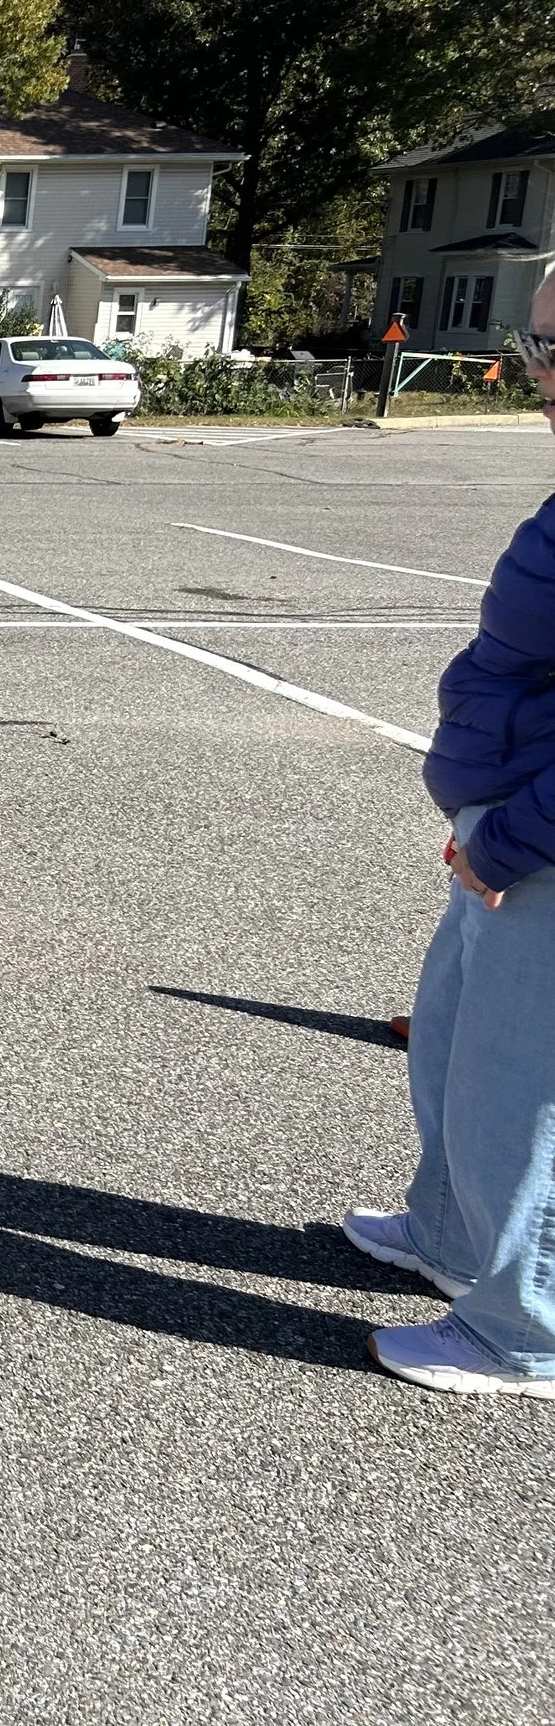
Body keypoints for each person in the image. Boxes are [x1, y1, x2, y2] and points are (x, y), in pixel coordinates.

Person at [346, 271, 555, 1399]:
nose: (535, 375)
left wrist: (512, 840)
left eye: (552, 347)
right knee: (456, 1043)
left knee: (522, 1082)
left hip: (537, 841)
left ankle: (524, 1327)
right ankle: (452, 1236)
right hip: (507, 816)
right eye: (532, 342)